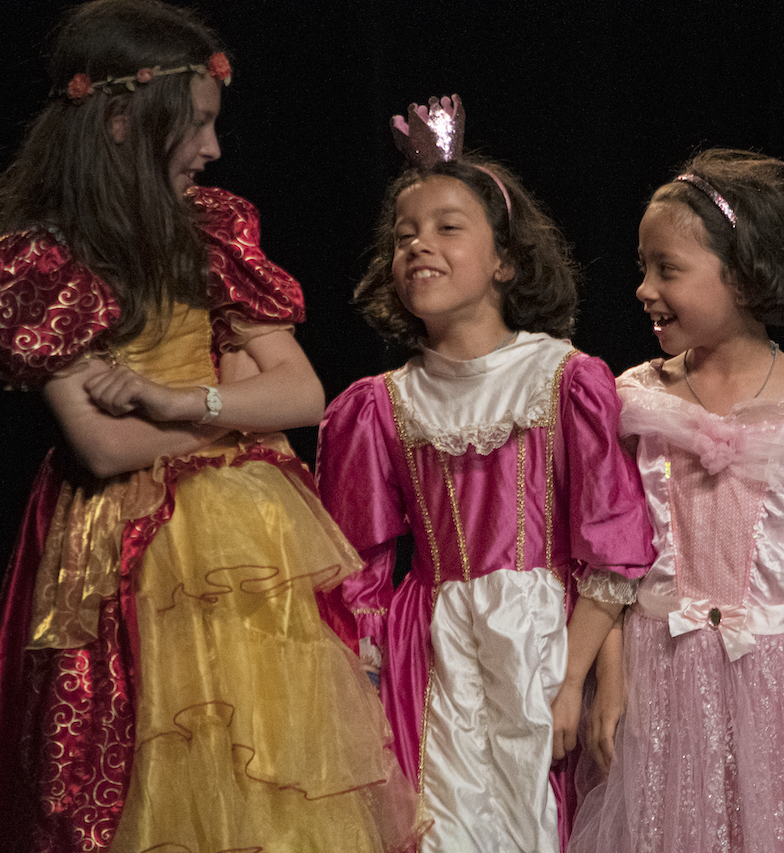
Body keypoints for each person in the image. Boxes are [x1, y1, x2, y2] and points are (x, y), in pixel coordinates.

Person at [0, 2, 420, 850]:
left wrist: (180, 402)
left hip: (249, 545)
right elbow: (105, 445)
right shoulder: (43, 262)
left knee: (269, 766)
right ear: (123, 122)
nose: (212, 148)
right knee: (153, 767)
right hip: (124, 547)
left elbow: (301, 393)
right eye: (196, 125)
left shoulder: (212, 231)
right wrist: (234, 413)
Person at [314, 96, 656, 853]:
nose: (418, 245)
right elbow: (353, 571)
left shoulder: (565, 380)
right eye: (404, 234)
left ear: (504, 260)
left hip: (545, 646)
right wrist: (368, 685)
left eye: (447, 227)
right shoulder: (378, 407)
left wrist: (573, 680)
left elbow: (611, 547)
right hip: (434, 659)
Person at [569, 149, 784, 852]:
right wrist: (610, 673)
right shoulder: (634, 399)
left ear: (743, 273)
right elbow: (610, 558)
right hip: (661, 682)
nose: (644, 287)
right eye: (643, 266)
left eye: (667, 269)